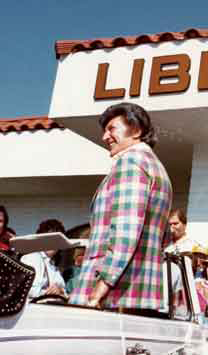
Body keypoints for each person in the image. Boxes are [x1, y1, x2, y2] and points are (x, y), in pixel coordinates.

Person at [69, 102, 172, 313]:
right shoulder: (157, 168)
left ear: (136, 130)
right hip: (139, 293)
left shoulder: (130, 163)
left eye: (111, 128)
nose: (105, 137)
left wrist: (99, 289)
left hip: (112, 297)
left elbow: (125, 235)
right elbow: (163, 237)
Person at [21, 219, 67, 299]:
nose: (52, 243)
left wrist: (60, 291)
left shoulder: (52, 264)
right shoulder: (34, 257)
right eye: (49, 239)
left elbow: (63, 288)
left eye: (56, 240)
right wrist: (49, 292)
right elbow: (27, 290)